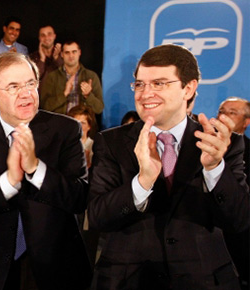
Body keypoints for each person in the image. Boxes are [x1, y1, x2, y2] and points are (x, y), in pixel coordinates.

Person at [88, 44, 249, 289]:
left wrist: (214, 169)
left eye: (159, 83)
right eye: (140, 84)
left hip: (203, 279)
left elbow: (239, 220)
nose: (145, 93)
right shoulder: (111, 142)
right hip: (128, 280)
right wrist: (142, 183)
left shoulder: (223, 144)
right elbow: (98, 217)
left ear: (188, 88)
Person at [0, 52, 91, 290]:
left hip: (57, 268)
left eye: (30, 84)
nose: (26, 93)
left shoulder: (65, 130)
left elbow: (79, 198)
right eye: (14, 86)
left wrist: (36, 169)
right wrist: (8, 182)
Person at [217, 96, 250, 288]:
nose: (224, 116)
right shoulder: (199, 144)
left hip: (240, 238)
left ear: (246, 122)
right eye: (222, 111)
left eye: (232, 112)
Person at [40, 41, 103, 115]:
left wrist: (88, 95)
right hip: (60, 123)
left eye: (74, 52)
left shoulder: (91, 76)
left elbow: (99, 109)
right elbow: (44, 107)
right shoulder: (52, 77)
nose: (71, 56)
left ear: (79, 52)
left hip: (82, 124)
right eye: (67, 52)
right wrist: (64, 94)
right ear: (62, 54)